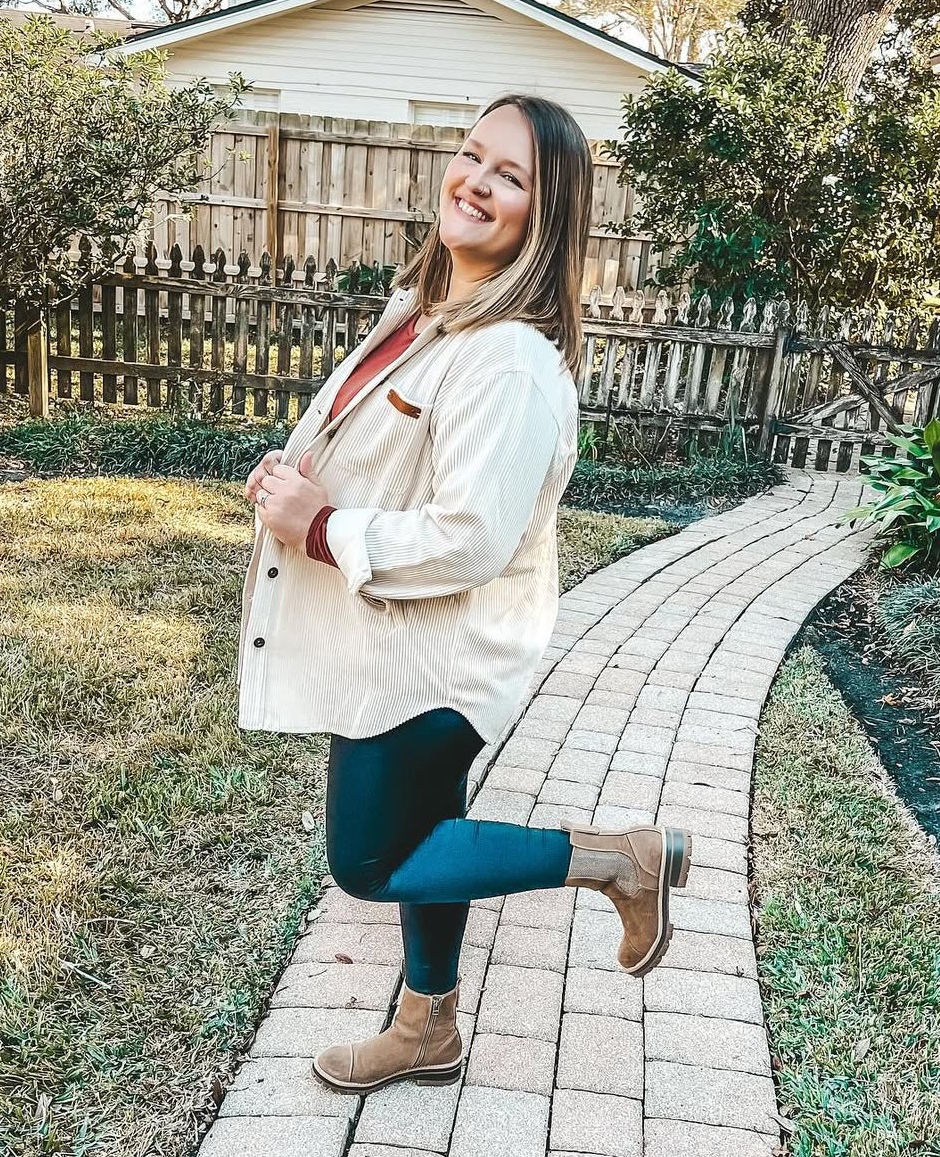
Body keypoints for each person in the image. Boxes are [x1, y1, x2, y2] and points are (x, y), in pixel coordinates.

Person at [237, 93, 693, 1095]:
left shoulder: (509, 359)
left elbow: (471, 538)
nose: (476, 183)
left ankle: (618, 861)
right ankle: (426, 1028)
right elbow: (389, 458)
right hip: (390, 637)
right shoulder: (428, 311)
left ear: (546, 213)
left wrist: (320, 526)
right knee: (431, 832)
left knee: (370, 861)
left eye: (511, 176)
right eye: (473, 155)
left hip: (436, 657)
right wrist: (295, 480)